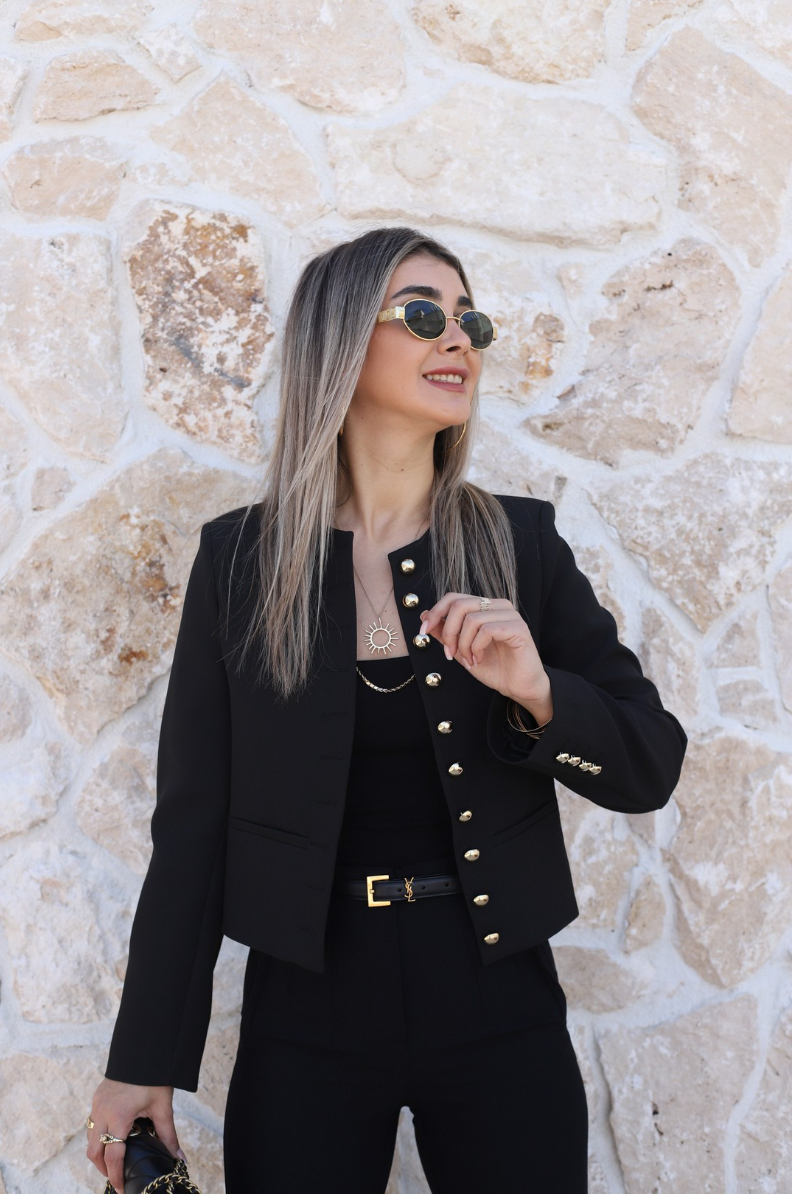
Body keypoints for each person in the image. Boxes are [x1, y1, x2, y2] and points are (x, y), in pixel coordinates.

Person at [86, 225, 687, 1194]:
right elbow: (192, 828)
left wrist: (539, 691)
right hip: (306, 1019)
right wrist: (142, 1058)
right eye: (420, 314)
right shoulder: (240, 564)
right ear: (339, 343)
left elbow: (649, 761)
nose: (457, 339)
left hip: (500, 1005)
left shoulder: (521, 545)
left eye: (469, 321)